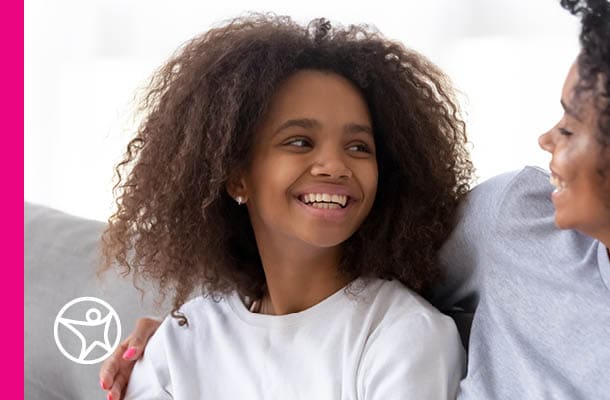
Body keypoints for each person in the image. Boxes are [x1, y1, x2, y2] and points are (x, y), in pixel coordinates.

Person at [102, 0, 610, 398]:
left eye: (571, 125)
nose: (545, 140)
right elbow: (335, 256)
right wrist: (192, 332)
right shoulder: (513, 222)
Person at [98, 14, 472, 400]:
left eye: (359, 147)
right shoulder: (181, 342)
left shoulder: (402, 335)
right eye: (299, 141)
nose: (335, 166)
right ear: (237, 176)